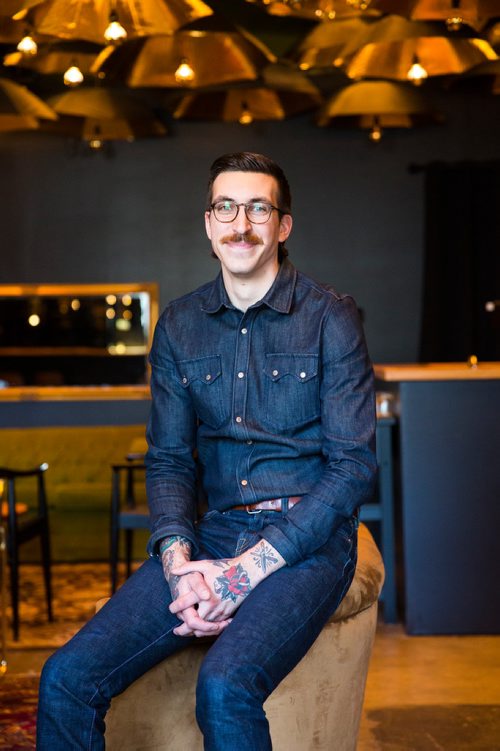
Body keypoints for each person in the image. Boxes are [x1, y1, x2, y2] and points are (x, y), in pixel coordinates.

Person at [37, 151, 377, 750]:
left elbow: (353, 465)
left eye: (258, 208)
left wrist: (244, 574)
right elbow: (168, 458)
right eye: (226, 207)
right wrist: (179, 565)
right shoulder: (178, 325)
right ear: (208, 222)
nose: (240, 223)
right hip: (214, 533)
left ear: (283, 225)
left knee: (224, 685)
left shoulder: (331, 316)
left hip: (309, 542)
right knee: (65, 678)